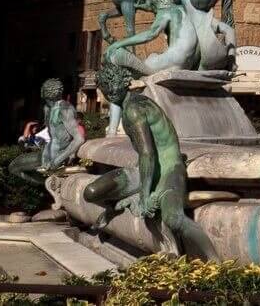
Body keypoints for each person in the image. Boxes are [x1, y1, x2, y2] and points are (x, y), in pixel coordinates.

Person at [85, 64, 217, 260]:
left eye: (114, 84)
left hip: (168, 170)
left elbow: (148, 154)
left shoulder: (135, 109)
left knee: (174, 219)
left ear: (124, 83)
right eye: (106, 87)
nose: (110, 91)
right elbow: (145, 157)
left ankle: (214, 261)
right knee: (91, 192)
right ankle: (119, 205)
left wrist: (146, 194)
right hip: (143, 171)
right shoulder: (130, 106)